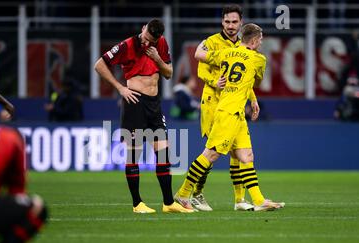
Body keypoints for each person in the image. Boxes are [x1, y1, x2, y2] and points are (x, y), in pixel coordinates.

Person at [176, 23, 285, 212]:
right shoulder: (258, 59)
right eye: (260, 39)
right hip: (228, 112)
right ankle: (183, 193)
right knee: (211, 154)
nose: (261, 43)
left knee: (246, 155)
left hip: (235, 111)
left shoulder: (227, 53)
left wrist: (203, 44)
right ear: (253, 40)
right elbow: (257, 81)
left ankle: (258, 200)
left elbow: (201, 55)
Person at [94, 18, 192, 213]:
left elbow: (169, 73)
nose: (147, 43)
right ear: (143, 29)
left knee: (164, 152)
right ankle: (137, 203)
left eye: (151, 41)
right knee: (134, 154)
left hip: (154, 104)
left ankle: (168, 203)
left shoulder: (161, 43)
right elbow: (99, 65)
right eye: (145, 37)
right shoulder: (128, 45)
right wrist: (120, 88)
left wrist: (157, 58)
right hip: (135, 102)